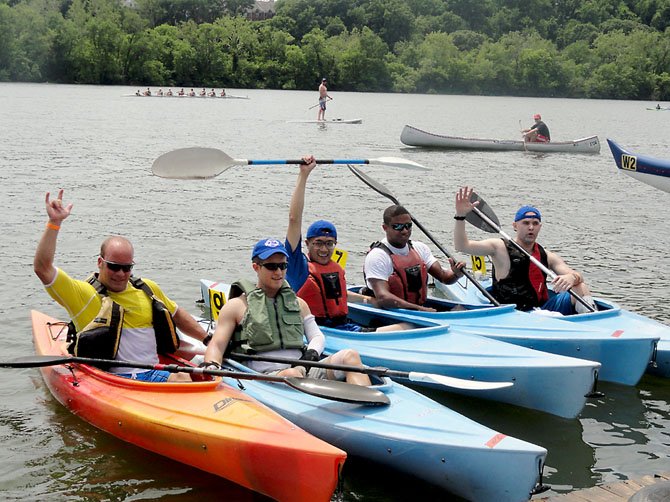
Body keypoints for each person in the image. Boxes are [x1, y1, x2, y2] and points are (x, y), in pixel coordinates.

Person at [33, 190, 209, 382]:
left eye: (126, 268)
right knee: (181, 380)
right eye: (114, 267)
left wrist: (208, 340)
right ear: (100, 262)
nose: (120, 274)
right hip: (115, 380)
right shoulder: (84, 294)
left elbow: (177, 314)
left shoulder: (147, 289)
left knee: (191, 376)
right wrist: (54, 224)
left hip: (153, 371)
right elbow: (43, 268)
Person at [202, 238, 371, 385]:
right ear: (256, 267)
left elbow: (317, 337)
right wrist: (211, 366)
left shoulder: (299, 304)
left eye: (283, 266)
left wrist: (309, 358)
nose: (278, 272)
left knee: (351, 356)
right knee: (291, 374)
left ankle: (368, 408)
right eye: (271, 266)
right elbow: (217, 344)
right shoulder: (236, 306)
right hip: (264, 376)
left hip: (301, 370)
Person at [285, 157, 409, 332]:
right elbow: (294, 219)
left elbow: (340, 294)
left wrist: (368, 300)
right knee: (404, 328)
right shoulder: (299, 268)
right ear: (307, 243)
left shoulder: (333, 267)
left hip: (345, 326)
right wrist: (303, 174)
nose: (323, 249)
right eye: (318, 243)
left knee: (406, 326)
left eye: (329, 244)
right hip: (319, 331)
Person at [453, 186, 596, 314]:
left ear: (540, 226)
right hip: (511, 313)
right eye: (526, 223)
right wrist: (460, 216)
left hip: (543, 310)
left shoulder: (547, 256)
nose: (531, 227)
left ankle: (594, 321)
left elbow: (576, 275)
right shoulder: (499, 247)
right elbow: (462, 246)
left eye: (535, 223)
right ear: (515, 226)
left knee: (580, 286)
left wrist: (572, 277)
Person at [363, 206, 466, 312]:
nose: (404, 231)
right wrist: (419, 309)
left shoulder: (420, 248)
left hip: (418, 309)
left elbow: (445, 278)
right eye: (397, 227)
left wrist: (456, 274)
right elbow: (383, 297)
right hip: (391, 313)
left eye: (408, 226)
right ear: (385, 228)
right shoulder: (378, 256)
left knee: (461, 309)